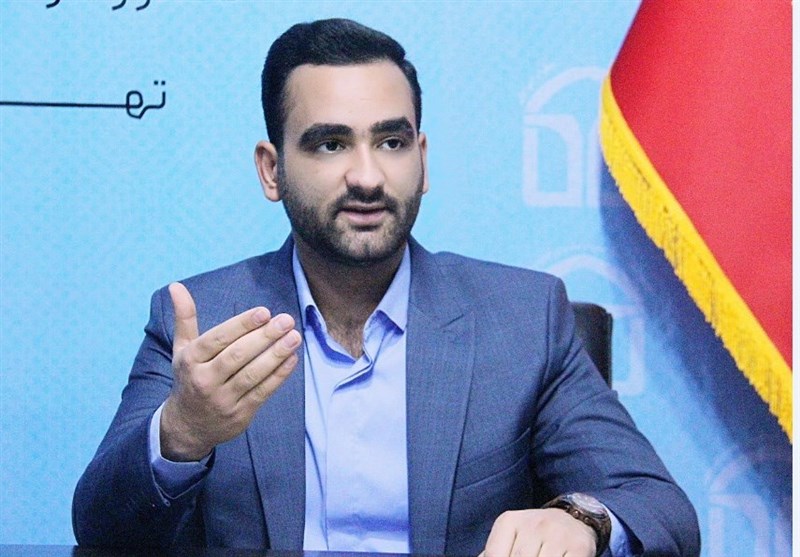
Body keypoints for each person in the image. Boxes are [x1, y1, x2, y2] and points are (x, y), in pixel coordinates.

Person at [73, 18, 700, 557]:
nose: (368, 176)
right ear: (272, 170)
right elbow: (99, 528)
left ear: (421, 159)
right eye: (330, 144)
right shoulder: (204, 322)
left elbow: (658, 507)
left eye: (392, 142)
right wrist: (182, 432)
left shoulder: (522, 320)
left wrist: (581, 519)